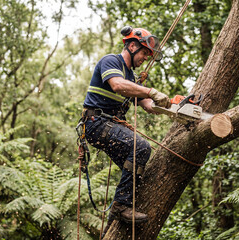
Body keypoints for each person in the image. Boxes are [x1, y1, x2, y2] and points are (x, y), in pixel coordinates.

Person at [81, 26, 171, 230]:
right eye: (144, 54)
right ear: (132, 46)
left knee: (135, 173)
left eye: (148, 56)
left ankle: (112, 223)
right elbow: (118, 86)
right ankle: (121, 207)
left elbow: (148, 105)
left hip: (107, 125)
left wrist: (170, 105)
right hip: (96, 124)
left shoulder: (132, 79)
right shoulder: (111, 62)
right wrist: (150, 91)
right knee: (140, 147)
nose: (145, 59)